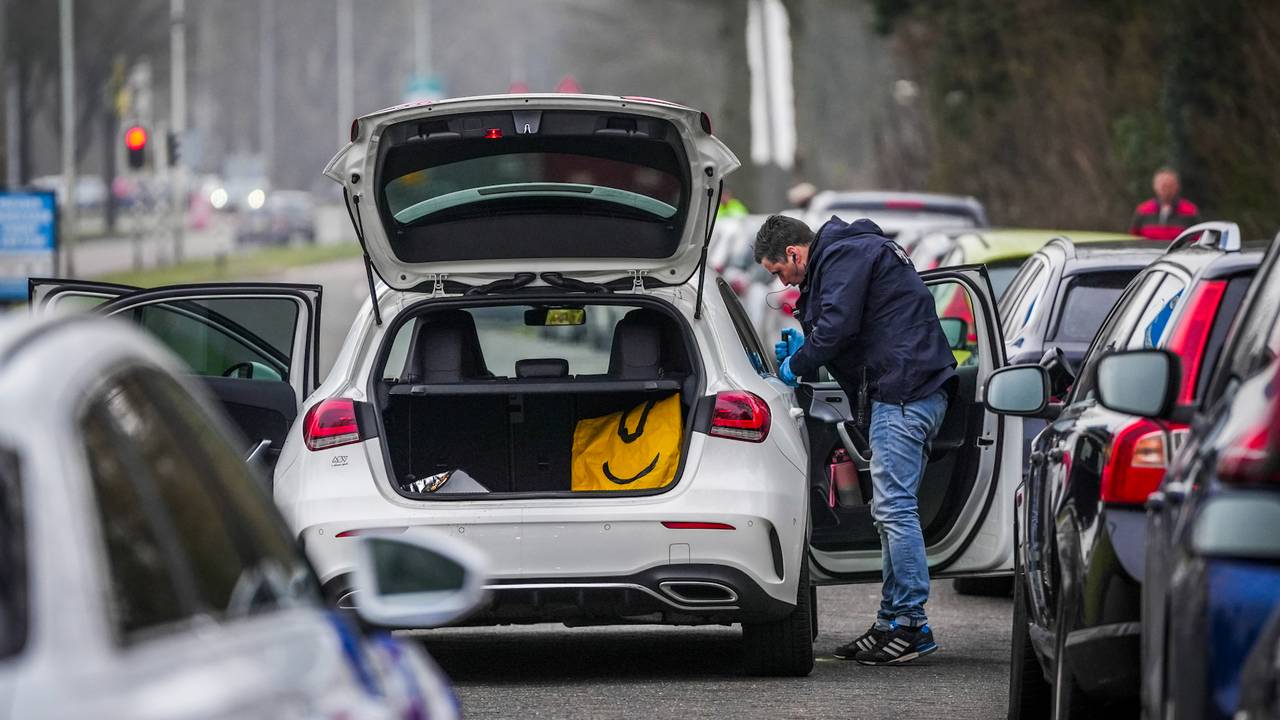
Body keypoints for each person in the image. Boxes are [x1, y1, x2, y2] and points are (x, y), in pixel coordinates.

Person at [754, 214, 957, 666]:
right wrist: (808, 347)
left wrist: (798, 364)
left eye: (777, 272)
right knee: (890, 512)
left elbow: (837, 328)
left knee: (894, 509)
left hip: (904, 394)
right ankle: (890, 621)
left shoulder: (845, 254)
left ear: (793, 253)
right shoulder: (851, 254)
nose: (781, 282)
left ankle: (910, 624)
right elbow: (852, 330)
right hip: (906, 390)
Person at [1129, 167, 1200, 240]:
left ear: (1177, 186)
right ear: (1154, 185)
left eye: (1168, 185)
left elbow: (1197, 240)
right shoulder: (1143, 210)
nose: (1164, 188)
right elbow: (1134, 240)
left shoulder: (1189, 211)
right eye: (1161, 184)